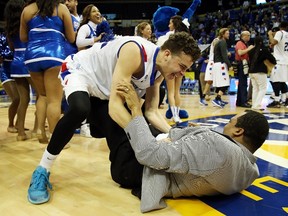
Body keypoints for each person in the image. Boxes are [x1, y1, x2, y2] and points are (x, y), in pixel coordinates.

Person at [27, 32, 201, 204]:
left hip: (106, 92)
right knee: (80, 109)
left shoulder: (160, 71)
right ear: (167, 54)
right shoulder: (135, 51)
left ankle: (96, 125)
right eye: (182, 67)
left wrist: (174, 133)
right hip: (83, 71)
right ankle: (42, 169)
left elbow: (151, 112)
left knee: (132, 132)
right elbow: (115, 108)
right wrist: (145, 137)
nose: (183, 73)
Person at [91, 79, 269, 213]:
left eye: (231, 122)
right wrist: (196, 136)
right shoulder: (250, 171)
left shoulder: (215, 146)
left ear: (238, 131)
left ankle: (89, 120)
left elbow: (148, 154)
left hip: (136, 169)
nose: (227, 125)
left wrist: (136, 108)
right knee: (143, 122)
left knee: (107, 105)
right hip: (170, 167)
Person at [20, 0, 75, 143]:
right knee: (54, 101)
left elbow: (23, 37)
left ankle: (40, 131)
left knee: (42, 95)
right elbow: (71, 37)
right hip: (54, 54)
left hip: (32, 56)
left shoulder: (27, 10)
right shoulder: (61, 8)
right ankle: (54, 139)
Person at [5, 0, 36, 141]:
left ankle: (21, 133)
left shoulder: (9, 28)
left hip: (16, 62)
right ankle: (37, 129)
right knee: (42, 96)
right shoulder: (27, 22)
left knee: (23, 100)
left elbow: (12, 48)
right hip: (28, 59)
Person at [157, 15, 190, 123]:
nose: (168, 25)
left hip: (171, 66)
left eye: (170, 23)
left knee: (170, 93)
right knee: (177, 92)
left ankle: (175, 116)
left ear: (174, 24)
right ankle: (177, 115)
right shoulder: (185, 36)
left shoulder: (169, 36)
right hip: (181, 67)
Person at [248, 36, 276, 110]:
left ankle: (254, 105)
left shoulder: (251, 50)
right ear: (261, 42)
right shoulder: (264, 50)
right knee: (263, 89)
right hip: (260, 71)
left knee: (255, 89)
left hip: (251, 72)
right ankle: (256, 105)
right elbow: (273, 60)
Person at [0, 32, 19, 134]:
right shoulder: (2, 37)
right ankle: (10, 124)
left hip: (19, 68)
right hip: (6, 70)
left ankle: (19, 123)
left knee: (23, 99)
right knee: (16, 98)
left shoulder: (21, 35)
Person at [267, 22, 288, 108]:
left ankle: (276, 101)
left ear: (280, 27)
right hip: (285, 61)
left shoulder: (280, 33)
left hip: (279, 61)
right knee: (282, 81)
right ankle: (286, 98)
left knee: (274, 80)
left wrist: (270, 35)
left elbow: (273, 41)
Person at [212, 28, 233, 108]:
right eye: (227, 33)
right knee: (225, 83)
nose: (229, 35)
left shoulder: (218, 42)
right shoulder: (223, 42)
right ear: (223, 34)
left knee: (220, 84)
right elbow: (224, 56)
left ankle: (219, 99)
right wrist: (230, 65)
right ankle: (217, 99)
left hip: (217, 65)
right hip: (221, 65)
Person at [235, 31, 254, 108]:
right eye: (248, 36)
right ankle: (244, 101)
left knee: (241, 83)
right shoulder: (240, 43)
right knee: (243, 83)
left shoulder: (244, 44)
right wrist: (249, 49)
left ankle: (239, 101)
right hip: (242, 64)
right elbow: (240, 53)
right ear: (243, 36)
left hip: (243, 64)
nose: (249, 37)